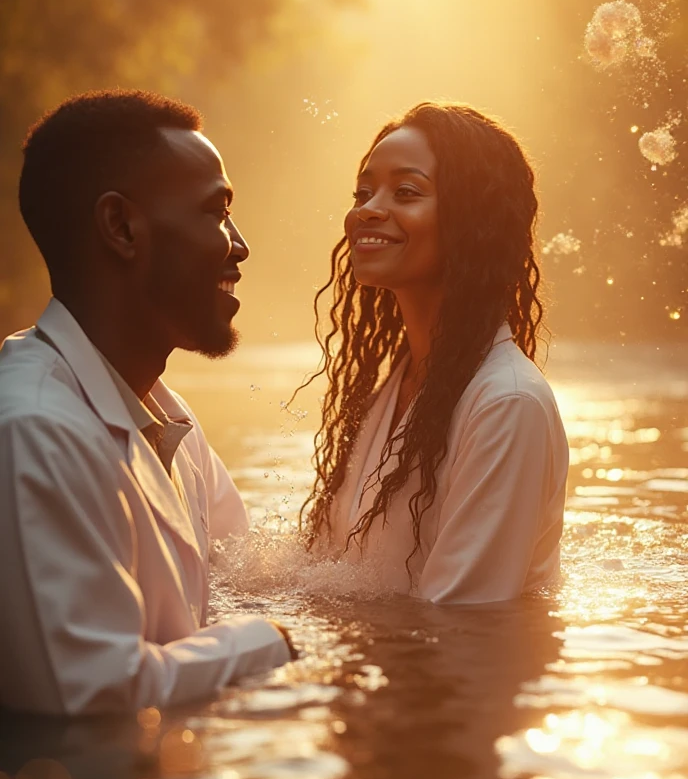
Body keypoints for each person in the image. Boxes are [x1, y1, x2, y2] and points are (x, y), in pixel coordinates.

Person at [0, 89, 296, 716]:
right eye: (216, 213)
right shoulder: (31, 429)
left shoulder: (168, 418)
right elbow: (89, 695)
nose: (238, 246)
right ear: (122, 228)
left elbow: (244, 580)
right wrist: (266, 644)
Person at [300, 102, 569, 603]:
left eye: (406, 192)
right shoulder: (396, 385)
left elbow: (458, 622)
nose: (367, 209)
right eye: (363, 191)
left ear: (473, 222)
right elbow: (327, 573)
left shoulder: (507, 405)